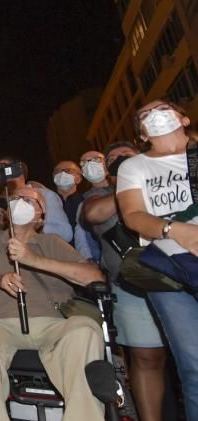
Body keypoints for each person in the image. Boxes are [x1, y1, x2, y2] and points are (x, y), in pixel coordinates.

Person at [0, 185, 106, 421]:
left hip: (52, 325)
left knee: (85, 329)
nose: (20, 202)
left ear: (41, 215)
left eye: (29, 200)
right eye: (15, 198)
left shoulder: (53, 242)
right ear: (4, 212)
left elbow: (93, 277)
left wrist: (33, 259)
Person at [116, 99, 198, 420]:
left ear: (184, 117)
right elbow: (134, 215)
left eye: (162, 108)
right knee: (193, 367)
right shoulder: (134, 166)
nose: (155, 115)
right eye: (145, 115)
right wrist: (175, 230)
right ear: (141, 134)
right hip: (168, 272)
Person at [83, 141, 168, 421]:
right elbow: (94, 215)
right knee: (145, 358)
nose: (120, 160)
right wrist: (128, 187)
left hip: (178, 279)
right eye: (114, 159)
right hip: (131, 285)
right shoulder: (101, 196)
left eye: (126, 156)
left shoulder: (163, 182)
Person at [0, 156, 73, 243]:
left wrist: (31, 226)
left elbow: (65, 233)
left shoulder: (45, 195)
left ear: (20, 172)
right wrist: (0, 227)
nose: (0, 174)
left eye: (4, 169)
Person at [52, 160, 83, 233]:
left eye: (68, 170)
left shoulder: (87, 201)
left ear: (79, 179)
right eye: (57, 171)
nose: (62, 173)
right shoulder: (46, 202)